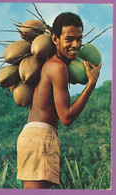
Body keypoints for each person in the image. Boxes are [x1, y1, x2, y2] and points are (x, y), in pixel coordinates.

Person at [17, 12, 102, 189]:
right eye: (69, 39)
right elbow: (66, 118)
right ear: (55, 39)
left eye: (79, 39)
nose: (76, 45)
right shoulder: (57, 67)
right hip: (40, 139)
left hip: (39, 138)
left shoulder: (54, 63)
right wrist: (91, 84)